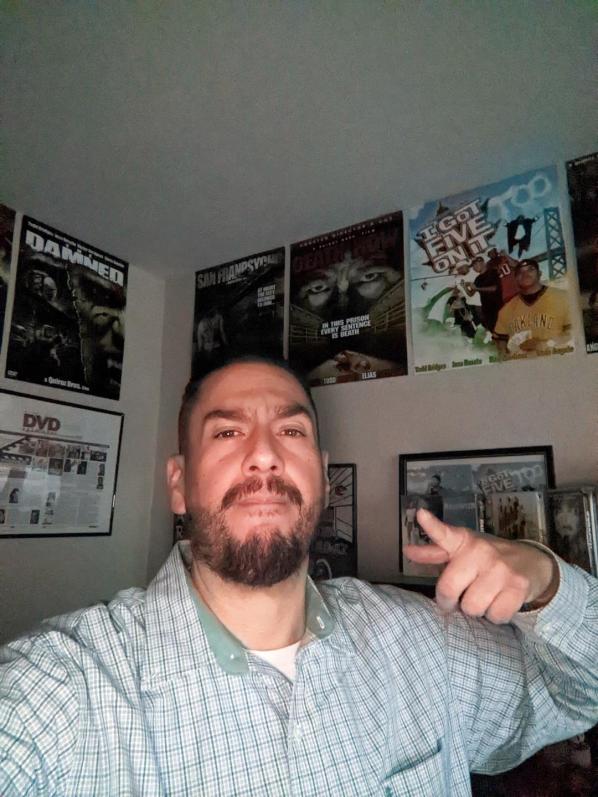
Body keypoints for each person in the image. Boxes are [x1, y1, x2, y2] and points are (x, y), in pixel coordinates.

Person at [0, 355, 596, 796]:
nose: (265, 454)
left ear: (323, 476)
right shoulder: (66, 690)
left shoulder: (423, 642)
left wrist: (545, 579)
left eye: (291, 432)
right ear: (179, 484)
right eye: (227, 432)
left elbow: (580, 694)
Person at [493, 259, 572, 357]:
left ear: (540, 273)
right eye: (520, 272)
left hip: (558, 360)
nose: (525, 274)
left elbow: (575, 335)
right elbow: (500, 343)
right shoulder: (506, 310)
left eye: (530, 269)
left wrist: (544, 345)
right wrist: (505, 354)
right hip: (522, 363)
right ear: (515, 279)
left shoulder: (563, 297)